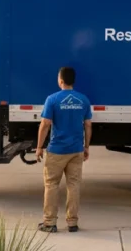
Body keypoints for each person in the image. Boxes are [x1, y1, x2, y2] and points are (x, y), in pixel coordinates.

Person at [36, 66, 92, 234]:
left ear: (60, 80)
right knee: (74, 185)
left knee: (51, 184)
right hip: (76, 150)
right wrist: (86, 147)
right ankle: (72, 223)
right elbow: (88, 125)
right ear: (72, 81)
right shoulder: (83, 100)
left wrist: (39, 147)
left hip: (56, 150)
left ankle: (50, 222)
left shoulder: (52, 99)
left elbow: (45, 124)